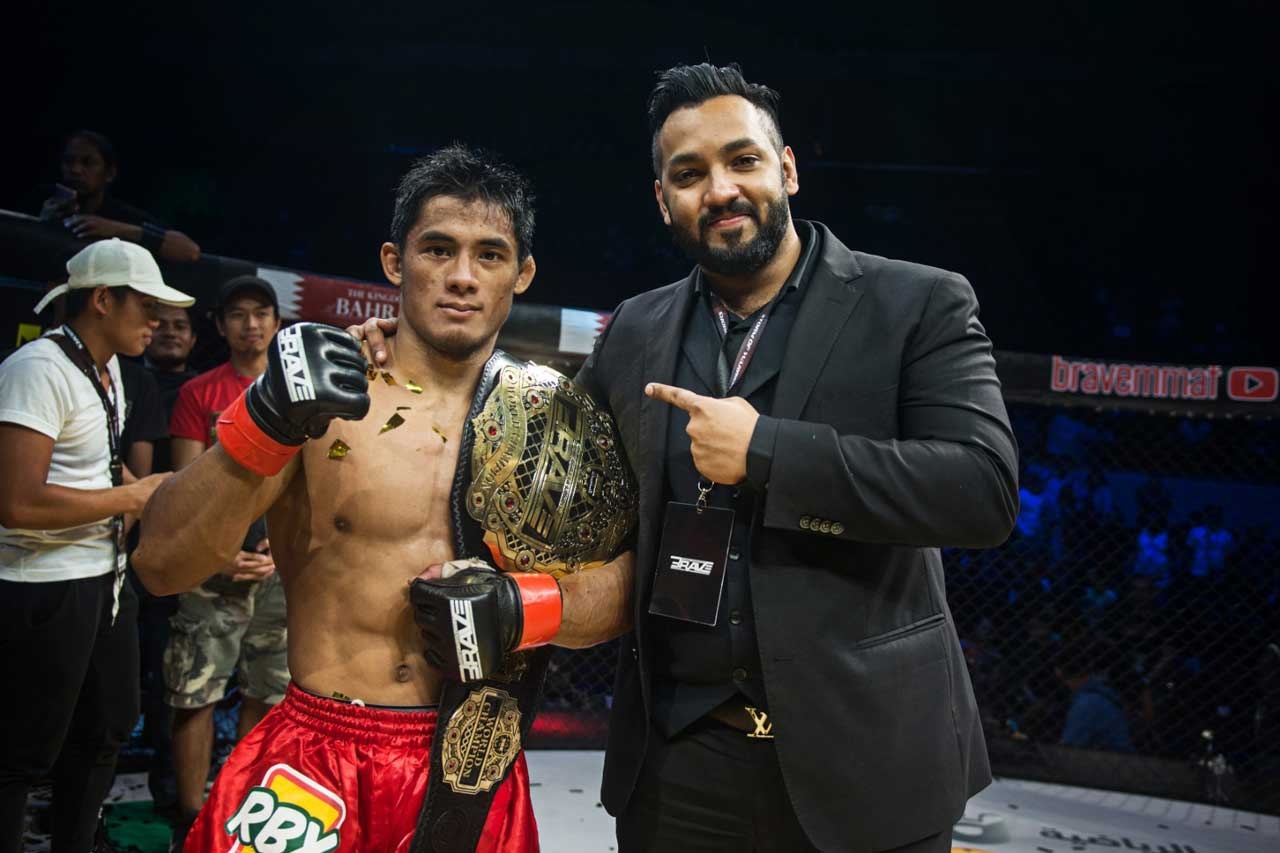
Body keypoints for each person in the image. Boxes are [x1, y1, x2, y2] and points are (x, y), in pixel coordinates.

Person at [355, 64, 1019, 852]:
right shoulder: (636, 329)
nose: (721, 189)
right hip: (680, 766)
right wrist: (403, 355)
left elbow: (982, 489)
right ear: (663, 198)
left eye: (743, 160)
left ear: (787, 169)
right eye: (690, 173)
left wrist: (767, 452)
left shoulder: (916, 302)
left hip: (867, 757)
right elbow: (554, 462)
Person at [135, 145, 631, 852]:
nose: (462, 276)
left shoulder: (551, 420)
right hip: (318, 754)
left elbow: (621, 591)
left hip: (473, 770)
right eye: (439, 249)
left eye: (489, 255)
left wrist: (526, 609)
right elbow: (160, 564)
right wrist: (265, 422)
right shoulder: (322, 400)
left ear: (522, 273)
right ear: (396, 262)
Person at [0, 238, 192, 853]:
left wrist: (157, 495)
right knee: (23, 752)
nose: (158, 320)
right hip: (44, 585)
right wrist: (132, 497)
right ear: (104, 300)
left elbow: (98, 470)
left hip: (106, 580)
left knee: (105, 729)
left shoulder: (107, 370)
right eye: (147, 305)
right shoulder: (36, 369)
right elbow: (16, 502)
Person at [161, 275, 289, 845]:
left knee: (269, 690)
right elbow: (184, 489)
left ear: (276, 323)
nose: (251, 324)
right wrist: (219, 555)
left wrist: (280, 550)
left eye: (261, 313)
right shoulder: (199, 393)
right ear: (220, 325)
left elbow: (308, 484)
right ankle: (192, 815)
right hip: (211, 570)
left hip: (279, 570)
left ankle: (240, 808)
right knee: (195, 693)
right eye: (238, 314)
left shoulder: (298, 392)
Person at [38, 130, 201, 263]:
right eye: (69, 161)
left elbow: (190, 251)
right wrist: (42, 225)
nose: (75, 170)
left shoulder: (124, 216)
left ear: (109, 173)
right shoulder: (46, 206)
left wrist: (115, 229)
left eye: (88, 163)